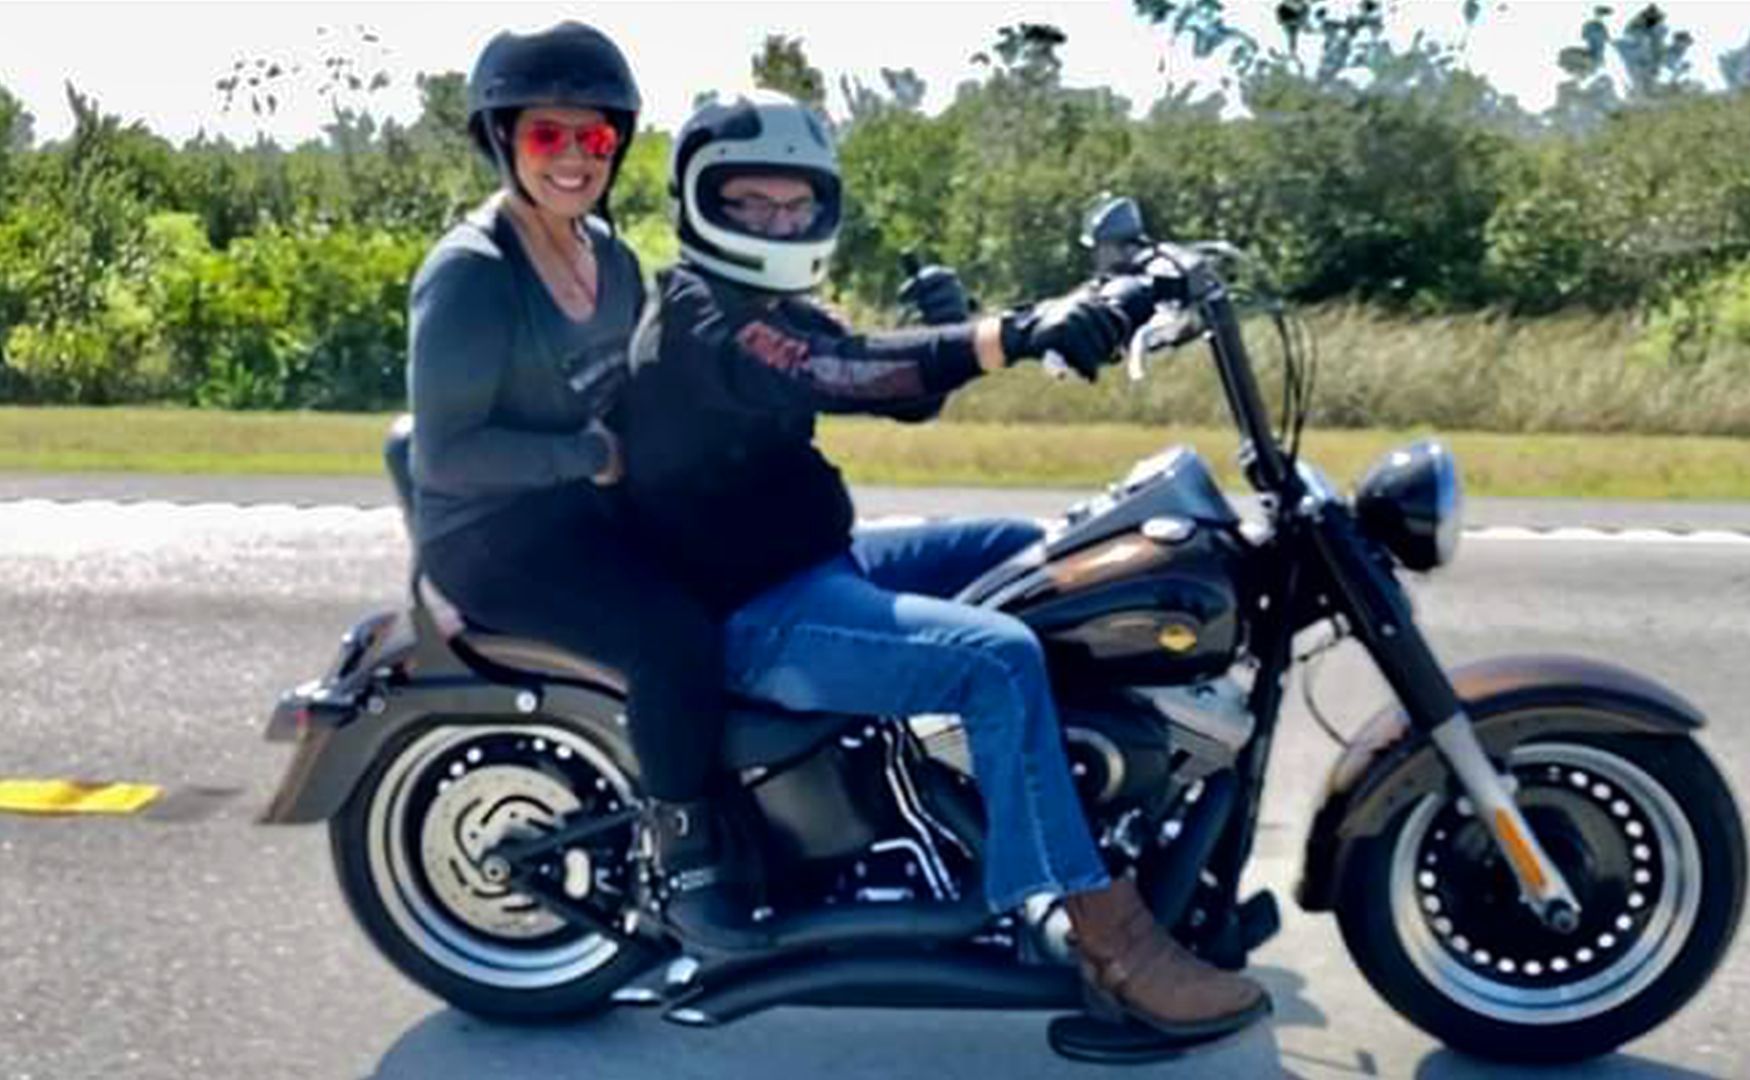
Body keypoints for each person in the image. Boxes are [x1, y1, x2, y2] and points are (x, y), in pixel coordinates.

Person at [609, 90, 1271, 1040]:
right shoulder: (703, 314)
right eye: (749, 202)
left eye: (793, 204)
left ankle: (1086, 800)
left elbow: (871, 376)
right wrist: (1016, 330)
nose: (775, 220)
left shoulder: (763, 305)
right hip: (753, 613)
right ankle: (1100, 934)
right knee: (997, 656)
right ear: (700, 202)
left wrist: (957, 327)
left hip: (817, 561)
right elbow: (836, 372)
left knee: (1039, 556)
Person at [404, 21, 748, 948]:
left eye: (593, 137)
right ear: (503, 139)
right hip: (491, 537)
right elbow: (445, 453)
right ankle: (689, 861)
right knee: (671, 638)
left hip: (579, 514)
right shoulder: (473, 275)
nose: (573, 157)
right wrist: (588, 458)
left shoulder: (612, 255)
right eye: (548, 135)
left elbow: (644, 389)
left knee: (757, 569)